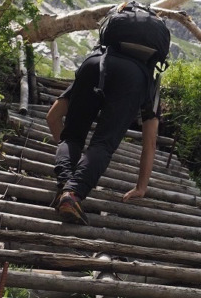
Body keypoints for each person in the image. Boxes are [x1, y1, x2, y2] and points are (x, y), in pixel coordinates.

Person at [46, 42, 163, 225]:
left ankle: (66, 186)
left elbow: (52, 117)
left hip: (93, 65)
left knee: (72, 137)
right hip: (132, 79)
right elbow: (150, 144)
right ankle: (72, 194)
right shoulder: (147, 79)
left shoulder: (100, 57)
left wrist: (66, 158)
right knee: (102, 144)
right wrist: (141, 187)